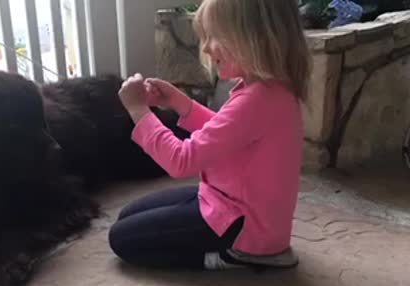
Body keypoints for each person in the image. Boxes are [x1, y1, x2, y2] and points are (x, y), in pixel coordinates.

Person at [110, 0, 311, 271]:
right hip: (226, 201)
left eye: (213, 37)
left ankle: (232, 257)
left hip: (243, 228)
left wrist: (138, 110)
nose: (205, 47)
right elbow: (226, 132)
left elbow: (182, 161)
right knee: (127, 215)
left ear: (253, 37)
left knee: (122, 239)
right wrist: (179, 102)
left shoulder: (259, 99)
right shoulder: (268, 89)